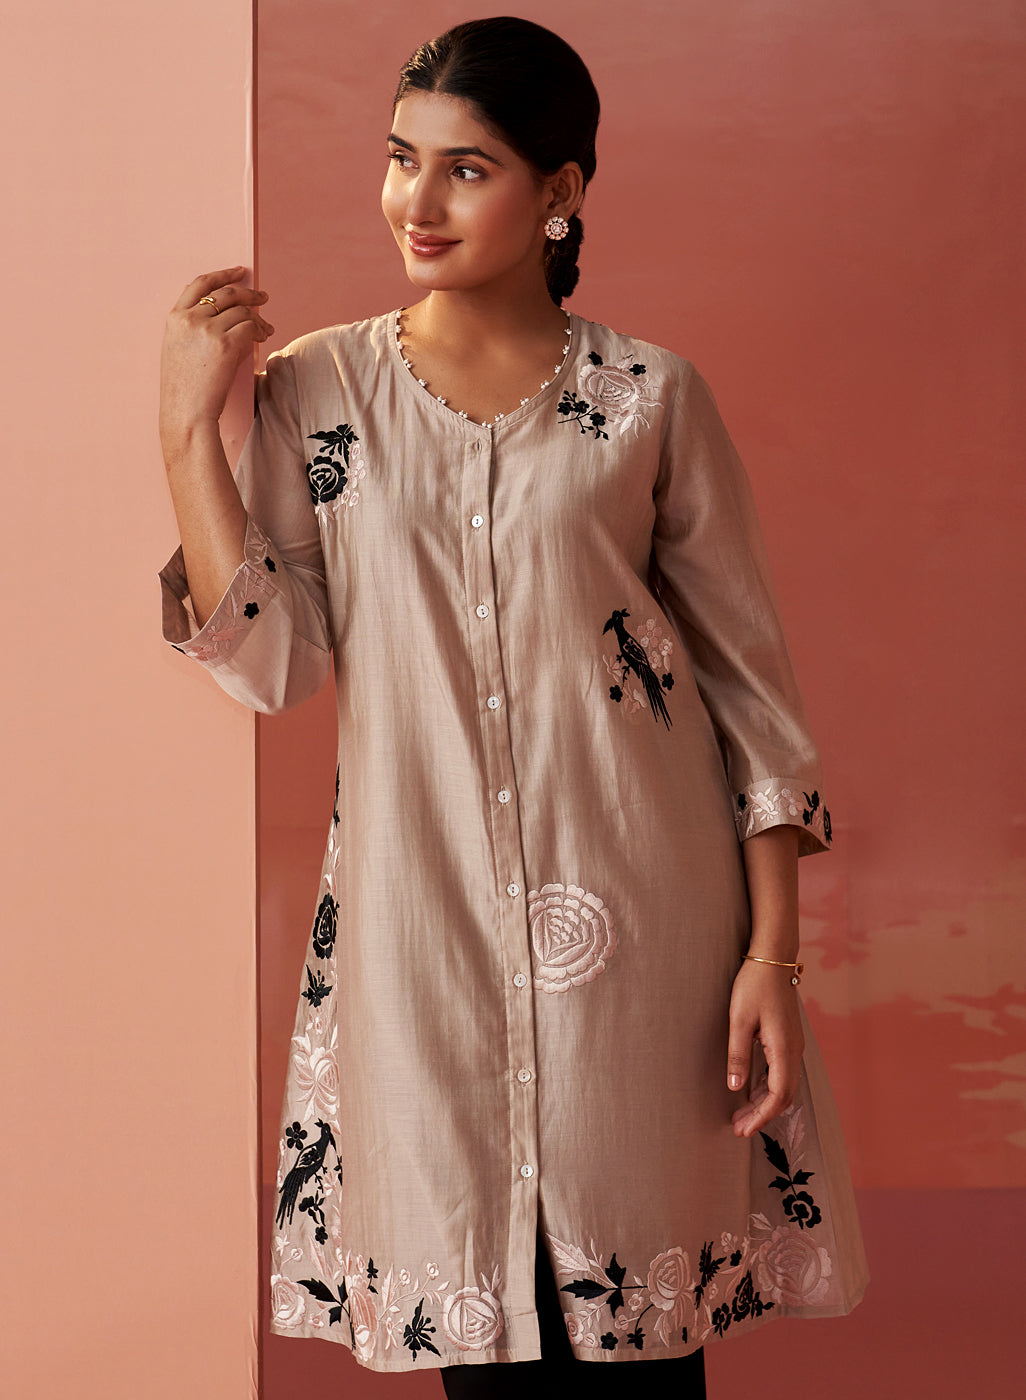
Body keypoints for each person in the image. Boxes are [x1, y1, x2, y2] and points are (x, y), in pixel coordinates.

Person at [158, 15, 868, 1395]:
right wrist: (187, 430)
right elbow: (270, 662)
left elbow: (753, 703)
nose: (414, 202)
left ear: (560, 190)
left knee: (643, 1361)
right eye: (400, 159)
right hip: (418, 950)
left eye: (465, 169)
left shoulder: (649, 400)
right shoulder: (318, 391)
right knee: (481, 1360)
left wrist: (770, 960)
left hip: (643, 955)